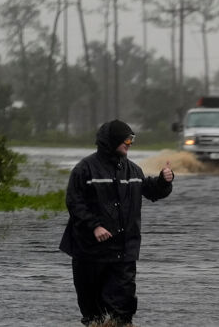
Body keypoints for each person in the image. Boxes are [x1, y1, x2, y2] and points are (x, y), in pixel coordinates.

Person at [60, 120, 174, 327]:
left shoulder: (133, 171)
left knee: (121, 312)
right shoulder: (84, 169)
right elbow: (74, 203)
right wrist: (95, 226)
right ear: (112, 141)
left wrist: (164, 182)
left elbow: (152, 191)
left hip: (124, 252)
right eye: (127, 139)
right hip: (89, 253)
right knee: (93, 314)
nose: (130, 143)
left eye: (132, 139)